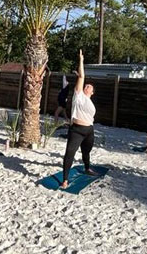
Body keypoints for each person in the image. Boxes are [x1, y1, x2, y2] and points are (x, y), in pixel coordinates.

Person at [60, 50, 98, 189]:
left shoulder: (90, 103)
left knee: (86, 152)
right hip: (76, 130)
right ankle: (65, 180)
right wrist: (81, 60)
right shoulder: (78, 96)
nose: (87, 86)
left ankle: (87, 168)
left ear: (92, 93)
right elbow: (82, 76)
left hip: (89, 130)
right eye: (86, 85)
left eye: (90, 87)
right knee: (69, 153)